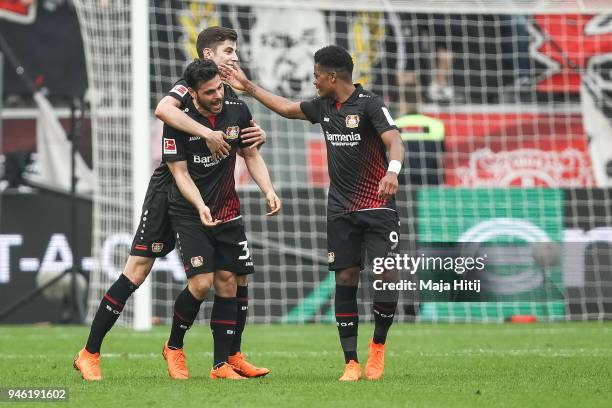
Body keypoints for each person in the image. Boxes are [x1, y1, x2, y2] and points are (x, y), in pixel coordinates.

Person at [73, 26, 268, 381]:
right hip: (171, 192)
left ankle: (229, 356)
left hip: (211, 194)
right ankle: (90, 352)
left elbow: (245, 131)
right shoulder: (185, 87)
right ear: (208, 56)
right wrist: (205, 132)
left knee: (234, 277)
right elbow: (163, 109)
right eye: (227, 50)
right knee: (139, 271)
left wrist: (258, 133)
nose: (234, 56)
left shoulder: (230, 95)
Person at [220, 45, 404, 381]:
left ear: (333, 76)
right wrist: (248, 87)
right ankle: (351, 362)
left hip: (378, 207)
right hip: (341, 210)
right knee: (345, 278)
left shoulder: (370, 104)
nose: (314, 80)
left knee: (386, 278)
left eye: (317, 74)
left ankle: (377, 347)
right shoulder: (322, 106)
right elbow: (286, 108)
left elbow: (395, 141)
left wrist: (392, 171)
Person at [162, 58, 280, 379]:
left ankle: (221, 365)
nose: (217, 96)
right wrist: (200, 205)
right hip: (190, 211)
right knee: (201, 284)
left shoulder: (236, 109)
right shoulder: (178, 119)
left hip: (228, 210)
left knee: (229, 282)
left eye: (219, 88)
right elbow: (180, 173)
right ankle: (173, 347)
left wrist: (268, 189)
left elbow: (251, 155)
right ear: (194, 94)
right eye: (209, 92)